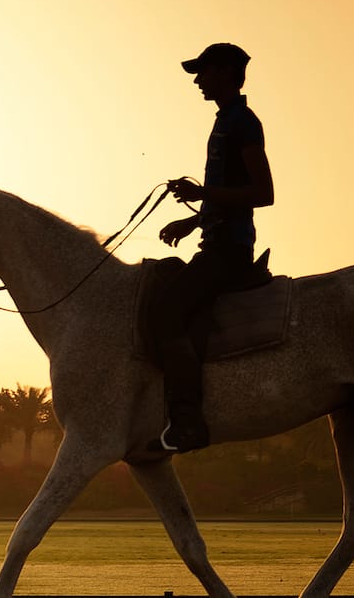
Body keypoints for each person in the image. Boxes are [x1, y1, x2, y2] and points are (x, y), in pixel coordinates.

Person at [147, 41, 275, 453]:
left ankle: (187, 424)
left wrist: (202, 195)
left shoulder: (242, 122)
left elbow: (263, 192)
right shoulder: (226, 122)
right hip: (216, 242)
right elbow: (227, 196)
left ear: (225, 73)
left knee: (166, 313)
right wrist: (193, 218)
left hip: (229, 252)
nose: (198, 80)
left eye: (203, 72)